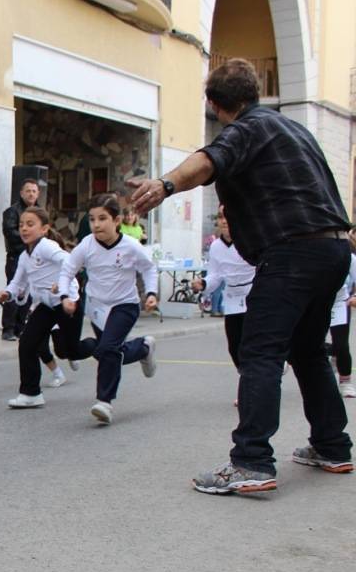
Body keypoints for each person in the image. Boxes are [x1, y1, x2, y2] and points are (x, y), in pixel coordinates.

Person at [130, 58, 354, 494]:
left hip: (293, 251)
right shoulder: (294, 130)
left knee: (260, 351)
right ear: (252, 91)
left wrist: (166, 184)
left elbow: (208, 160)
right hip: (331, 249)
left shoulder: (247, 128)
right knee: (307, 350)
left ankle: (251, 460)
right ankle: (332, 445)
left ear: (215, 105)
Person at [57, 193, 159, 425]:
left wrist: (151, 293)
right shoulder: (87, 245)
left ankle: (105, 402)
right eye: (92, 219)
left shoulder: (131, 246)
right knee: (110, 351)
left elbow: (149, 269)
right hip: (97, 307)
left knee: (108, 348)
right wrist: (65, 296)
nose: (96, 224)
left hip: (125, 305)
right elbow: (67, 270)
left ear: (116, 220)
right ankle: (143, 348)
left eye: (102, 218)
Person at [0, 207, 77, 409]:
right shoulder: (25, 256)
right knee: (27, 344)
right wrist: (8, 293)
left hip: (66, 301)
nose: (24, 228)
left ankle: (110, 347)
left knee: (70, 350)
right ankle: (31, 393)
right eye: (21, 224)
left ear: (44, 229)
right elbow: (17, 283)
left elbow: (69, 261)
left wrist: (62, 284)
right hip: (46, 305)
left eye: (30, 224)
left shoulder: (47, 246)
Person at [191, 205, 254, 378]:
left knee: (254, 347)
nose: (224, 221)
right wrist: (203, 284)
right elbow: (215, 276)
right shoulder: (216, 247)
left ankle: (253, 388)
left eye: (228, 216)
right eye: (220, 217)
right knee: (235, 348)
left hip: (254, 298)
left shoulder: (251, 239)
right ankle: (248, 383)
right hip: (232, 300)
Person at [0, 178, 41, 341]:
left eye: (34, 191)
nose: (31, 194)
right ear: (21, 193)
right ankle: (8, 329)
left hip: (35, 257)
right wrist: (30, 237)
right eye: (28, 190)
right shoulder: (12, 211)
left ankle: (21, 327)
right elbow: (10, 232)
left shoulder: (40, 212)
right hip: (16, 257)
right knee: (13, 290)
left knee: (29, 293)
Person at [327, 240, 356, 397]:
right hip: (316, 302)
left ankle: (345, 382)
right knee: (309, 343)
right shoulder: (310, 254)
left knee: (341, 344)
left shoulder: (349, 257)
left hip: (339, 302)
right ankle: (332, 355)